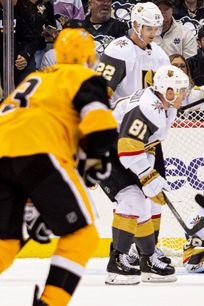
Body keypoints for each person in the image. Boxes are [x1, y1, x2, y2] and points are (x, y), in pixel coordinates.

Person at [0, 28, 117, 305]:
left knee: (4, 245)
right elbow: (101, 126)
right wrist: (96, 159)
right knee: (83, 235)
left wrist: (35, 205)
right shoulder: (83, 77)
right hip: (39, 155)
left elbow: (21, 138)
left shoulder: (34, 77)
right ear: (90, 58)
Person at [99, 65, 204, 285]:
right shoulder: (147, 107)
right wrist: (147, 176)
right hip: (103, 149)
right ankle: (117, 262)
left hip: (123, 148)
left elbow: (181, 101)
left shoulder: (163, 99)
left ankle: (147, 259)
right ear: (167, 91)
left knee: (146, 204)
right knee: (132, 199)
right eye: (179, 90)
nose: (183, 94)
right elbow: (128, 148)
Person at [99, 1, 170, 104]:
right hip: (121, 117)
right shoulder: (117, 51)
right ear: (136, 25)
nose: (153, 33)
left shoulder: (161, 55)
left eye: (156, 29)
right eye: (149, 28)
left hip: (150, 116)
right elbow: (100, 92)